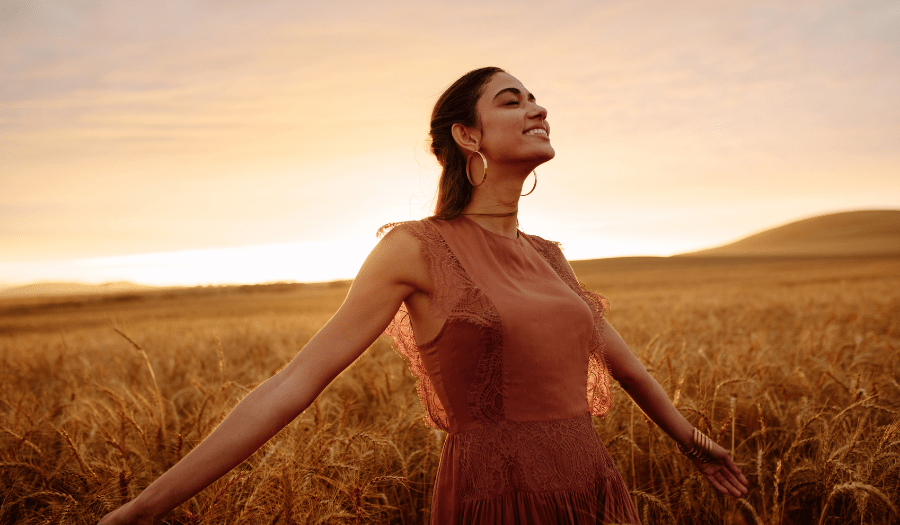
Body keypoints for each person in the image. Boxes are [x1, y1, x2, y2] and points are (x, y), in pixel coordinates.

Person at [99, 67, 749, 525]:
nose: (537, 108)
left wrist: (695, 443)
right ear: (469, 136)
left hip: (593, 488)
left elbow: (626, 366)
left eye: (537, 98)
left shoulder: (549, 256)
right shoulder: (414, 247)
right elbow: (294, 382)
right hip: (498, 498)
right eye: (512, 99)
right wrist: (147, 505)